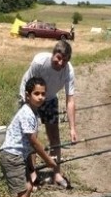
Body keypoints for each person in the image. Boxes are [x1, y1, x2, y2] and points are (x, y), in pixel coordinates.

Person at [0, 77, 59, 197]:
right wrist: (48, 161)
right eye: (36, 93)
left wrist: (32, 170)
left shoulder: (32, 112)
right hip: (12, 156)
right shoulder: (26, 113)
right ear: (27, 95)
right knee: (23, 193)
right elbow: (33, 142)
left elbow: (29, 146)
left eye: (43, 94)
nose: (40, 97)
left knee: (28, 188)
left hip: (18, 156)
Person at [19, 40, 76, 188]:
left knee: (54, 136)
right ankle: (32, 173)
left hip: (50, 98)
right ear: (53, 54)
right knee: (33, 136)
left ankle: (56, 173)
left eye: (64, 60)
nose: (60, 62)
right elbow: (29, 85)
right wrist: (29, 106)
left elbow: (70, 101)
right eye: (58, 57)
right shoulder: (39, 61)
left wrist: (72, 128)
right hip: (31, 95)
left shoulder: (69, 71)